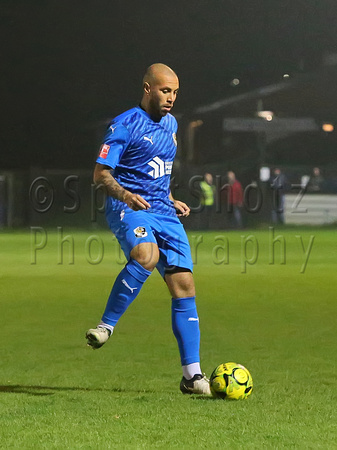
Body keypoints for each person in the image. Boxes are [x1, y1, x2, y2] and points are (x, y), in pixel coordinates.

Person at [86, 63, 210, 396]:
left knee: (184, 284)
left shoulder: (171, 124)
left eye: (175, 92)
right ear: (147, 88)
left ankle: (192, 376)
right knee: (146, 255)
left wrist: (170, 197)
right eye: (165, 90)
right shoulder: (124, 124)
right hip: (128, 206)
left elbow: (157, 170)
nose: (171, 98)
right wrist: (126, 195)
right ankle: (106, 326)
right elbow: (100, 175)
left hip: (163, 211)